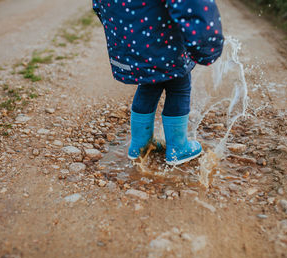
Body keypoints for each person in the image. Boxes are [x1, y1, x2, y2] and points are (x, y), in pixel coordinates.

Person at [93, 0, 224, 165]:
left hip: (136, 39)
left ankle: (139, 146)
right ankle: (178, 148)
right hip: (165, 37)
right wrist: (208, 45)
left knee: (149, 83)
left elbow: (99, 5)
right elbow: (191, 5)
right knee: (179, 85)